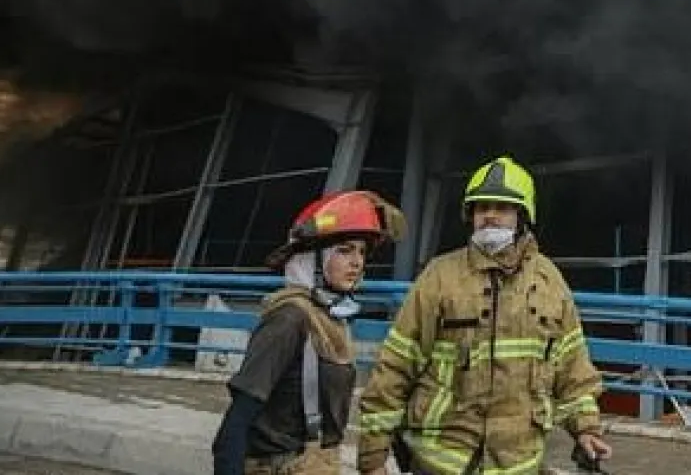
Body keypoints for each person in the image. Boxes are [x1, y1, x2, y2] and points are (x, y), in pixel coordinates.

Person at [355, 155, 611, 475]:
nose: (489, 215)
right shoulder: (439, 277)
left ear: (522, 216)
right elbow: (395, 367)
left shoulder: (550, 282)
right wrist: (373, 456)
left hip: (518, 463)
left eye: (501, 208)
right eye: (481, 208)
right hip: (440, 461)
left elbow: (573, 369)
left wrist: (586, 429)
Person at [211, 190, 406, 475]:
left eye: (362, 252)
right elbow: (237, 420)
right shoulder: (289, 319)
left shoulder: (330, 319)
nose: (357, 262)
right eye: (344, 250)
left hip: (318, 462)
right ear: (311, 259)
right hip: (281, 465)